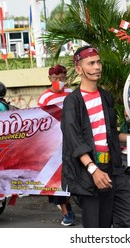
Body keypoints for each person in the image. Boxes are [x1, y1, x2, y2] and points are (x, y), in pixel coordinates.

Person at [60, 45, 130, 228]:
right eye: (91, 63)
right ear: (79, 69)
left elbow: (112, 134)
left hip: (113, 169)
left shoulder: (105, 97)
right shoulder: (72, 102)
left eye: (98, 62)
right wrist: (93, 170)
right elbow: (73, 140)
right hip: (88, 172)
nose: (97, 67)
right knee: (98, 226)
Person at [37, 64, 75, 226]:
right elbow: (38, 120)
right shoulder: (44, 98)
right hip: (53, 145)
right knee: (57, 179)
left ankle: (69, 206)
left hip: (71, 141)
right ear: (49, 79)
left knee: (72, 177)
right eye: (55, 78)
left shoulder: (71, 94)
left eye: (62, 78)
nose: (59, 81)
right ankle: (66, 212)